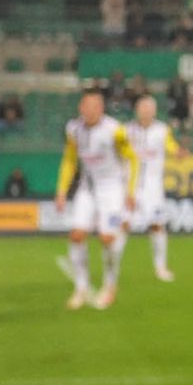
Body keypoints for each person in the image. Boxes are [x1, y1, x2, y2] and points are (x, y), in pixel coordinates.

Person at [51, 90, 129, 310]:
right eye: (87, 106)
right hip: (87, 189)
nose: (91, 110)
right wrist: (61, 190)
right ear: (80, 108)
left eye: (95, 106)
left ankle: (110, 284)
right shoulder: (73, 129)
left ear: (101, 109)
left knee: (107, 239)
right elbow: (69, 159)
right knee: (76, 235)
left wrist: (130, 191)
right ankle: (81, 288)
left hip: (112, 190)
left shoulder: (115, 131)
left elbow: (131, 158)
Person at [122, 90, 181, 289]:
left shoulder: (162, 130)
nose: (146, 111)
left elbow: (171, 146)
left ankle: (160, 267)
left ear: (154, 111)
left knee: (157, 225)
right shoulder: (125, 130)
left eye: (149, 108)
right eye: (143, 108)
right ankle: (114, 267)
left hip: (153, 188)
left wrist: (178, 152)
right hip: (129, 186)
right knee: (123, 225)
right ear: (136, 110)